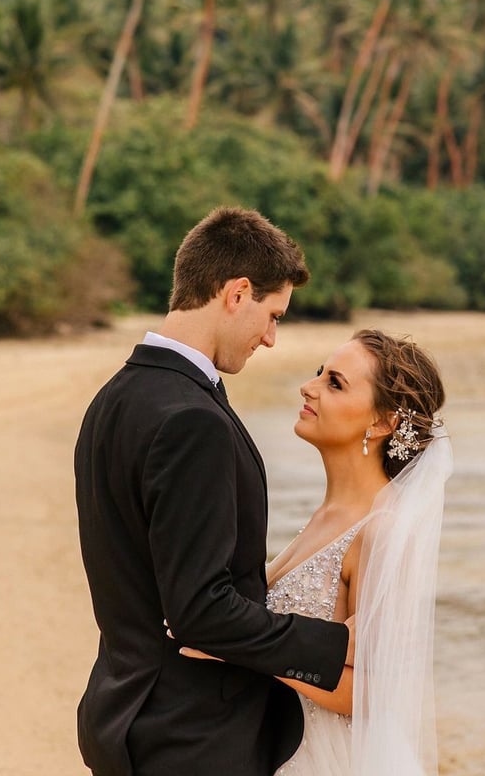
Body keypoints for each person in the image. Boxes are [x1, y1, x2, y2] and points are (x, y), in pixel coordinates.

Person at [74, 205, 351, 776]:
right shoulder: (190, 420)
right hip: (190, 732)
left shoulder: (112, 399)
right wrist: (336, 648)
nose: (271, 338)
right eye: (272, 315)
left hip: (123, 711)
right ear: (236, 292)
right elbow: (200, 608)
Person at [180, 327, 452, 776]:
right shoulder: (327, 515)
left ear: (383, 422)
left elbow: (372, 695)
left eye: (335, 383)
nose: (310, 387)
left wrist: (239, 647)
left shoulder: (381, 529)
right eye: (319, 373)